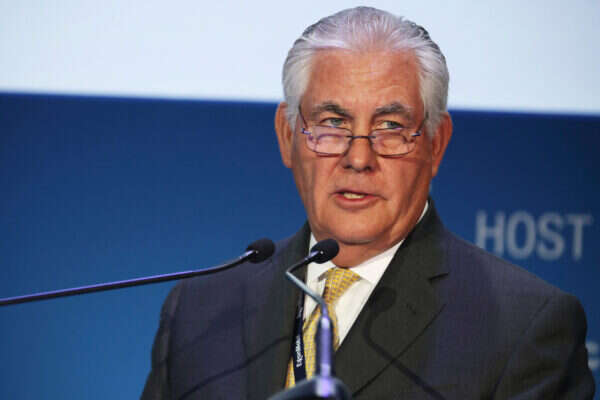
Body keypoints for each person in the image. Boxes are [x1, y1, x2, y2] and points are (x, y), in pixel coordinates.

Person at [141, 7, 595, 399]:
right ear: (286, 135)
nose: (358, 158)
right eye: (332, 123)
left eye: (391, 127)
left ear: (436, 144)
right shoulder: (200, 311)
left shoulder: (522, 329)